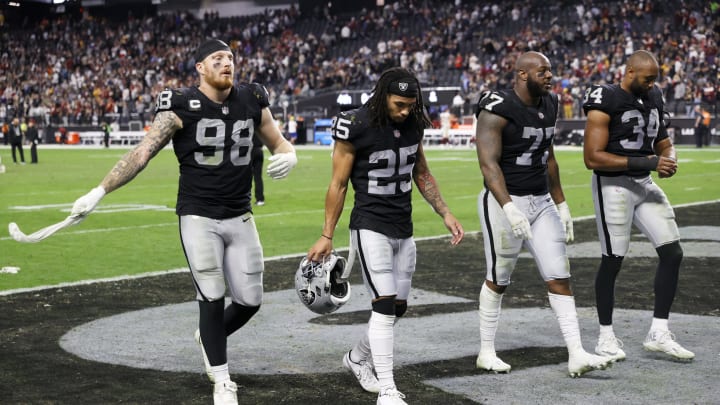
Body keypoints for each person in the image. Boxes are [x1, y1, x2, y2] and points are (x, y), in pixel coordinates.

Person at [69, 39, 298, 405]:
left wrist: (291, 154)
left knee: (251, 300)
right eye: (217, 58)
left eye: (231, 58)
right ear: (200, 68)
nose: (227, 63)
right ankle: (222, 381)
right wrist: (99, 191)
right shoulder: (179, 104)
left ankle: (209, 336)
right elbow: (141, 153)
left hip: (240, 214)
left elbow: (279, 142)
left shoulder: (252, 98)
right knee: (210, 294)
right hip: (198, 215)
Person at [306, 67, 464, 405]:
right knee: (384, 305)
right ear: (382, 97)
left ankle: (357, 357)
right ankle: (388, 390)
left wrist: (445, 212)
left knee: (399, 307)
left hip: (403, 226)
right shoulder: (357, 125)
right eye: (398, 104)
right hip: (369, 224)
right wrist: (326, 234)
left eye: (410, 104)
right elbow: (338, 183)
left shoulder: (414, 122)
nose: (405, 111)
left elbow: (421, 170)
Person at [474, 51, 613, 377]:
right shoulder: (497, 107)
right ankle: (486, 351)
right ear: (522, 74)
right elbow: (488, 163)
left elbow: (548, 157)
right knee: (499, 278)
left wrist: (561, 203)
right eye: (543, 71)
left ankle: (577, 353)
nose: (550, 76)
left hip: (541, 201)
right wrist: (508, 207)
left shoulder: (550, 104)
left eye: (551, 70)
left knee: (559, 275)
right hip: (503, 202)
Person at [582, 50, 694, 362]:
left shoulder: (654, 95)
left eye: (654, 79)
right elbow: (592, 157)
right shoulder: (605, 97)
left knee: (672, 252)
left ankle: (658, 332)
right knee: (613, 259)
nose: (652, 84)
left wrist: (669, 156)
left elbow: (661, 138)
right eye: (647, 78)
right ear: (630, 71)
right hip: (612, 184)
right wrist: (650, 161)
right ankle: (605, 336)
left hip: (643, 182)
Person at [250, 133, 265, 205]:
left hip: (248, 151)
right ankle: (260, 199)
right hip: (259, 150)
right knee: (258, 177)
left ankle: (243, 198)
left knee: (243, 176)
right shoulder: (259, 127)